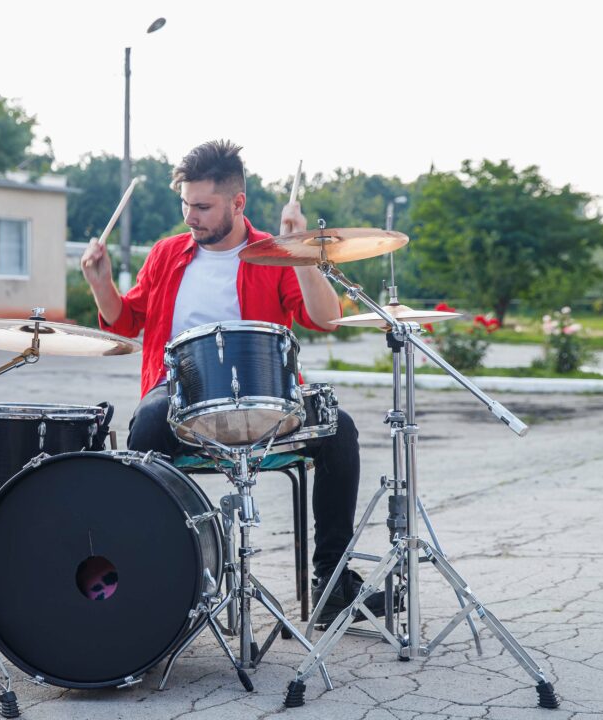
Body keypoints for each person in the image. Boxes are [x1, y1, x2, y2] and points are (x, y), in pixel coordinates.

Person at [80, 139, 382, 624]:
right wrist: (101, 284)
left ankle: (333, 582)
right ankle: (148, 575)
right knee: (149, 422)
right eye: (186, 205)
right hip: (180, 398)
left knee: (339, 429)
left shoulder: (272, 255)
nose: (190, 217)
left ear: (237, 203)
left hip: (267, 397)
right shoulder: (166, 254)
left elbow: (326, 318)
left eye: (202, 207)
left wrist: (301, 254)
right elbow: (125, 320)